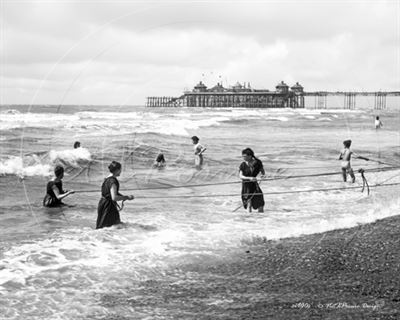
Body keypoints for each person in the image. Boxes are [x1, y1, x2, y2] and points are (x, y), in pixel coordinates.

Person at [96, 161, 134, 229]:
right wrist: (127, 197)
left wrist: (123, 197)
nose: (121, 172)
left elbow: (110, 193)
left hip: (103, 204)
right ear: (117, 170)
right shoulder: (112, 181)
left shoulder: (106, 179)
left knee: (103, 227)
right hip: (109, 207)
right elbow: (114, 197)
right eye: (120, 170)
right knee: (113, 226)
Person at [239, 148, 265, 213]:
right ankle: (249, 220)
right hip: (246, 185)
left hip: (254, 185)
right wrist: (249, 178)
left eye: (244, 156)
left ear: (250, 156)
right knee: (248, 203)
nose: (243, 158)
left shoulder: (257, 163)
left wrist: (262, 176)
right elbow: (241, 176)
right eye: (242, 156)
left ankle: (261, 218)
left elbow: (262, 171)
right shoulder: (243, 165)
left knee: (260, 202)